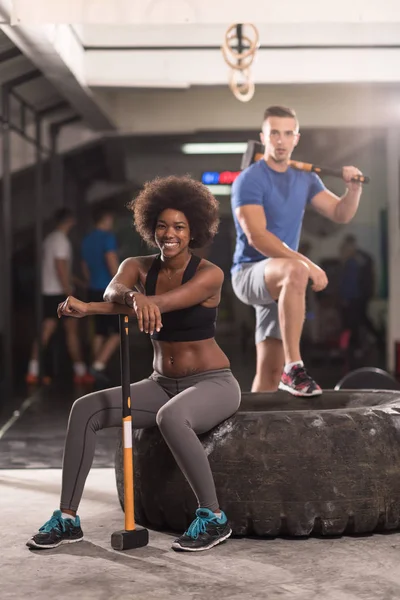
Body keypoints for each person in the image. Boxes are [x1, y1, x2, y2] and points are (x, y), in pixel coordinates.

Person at [26, 176, 241, 553]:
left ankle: (214, 517)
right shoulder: (137, 266)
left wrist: (138, 301)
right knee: (85, 408)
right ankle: (67, 518)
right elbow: (114, 291)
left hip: (212, 384)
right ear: (150, 228)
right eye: (161, 225)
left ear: (193, 231)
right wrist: (99, 304)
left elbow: (168, 302)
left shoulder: (209, 274)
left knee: (171, 417)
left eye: (179, 227)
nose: (169, 234)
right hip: (161, 383)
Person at [231, 105, 364, 396]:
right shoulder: (249, 180)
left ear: (296, 139)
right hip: (250, 273)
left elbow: (340, 213)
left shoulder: (305, 179)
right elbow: (258, 237)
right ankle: (294, 369)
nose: (281, 140)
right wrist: (306, 263)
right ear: (263, 137)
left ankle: (252, 437)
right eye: (274, 133)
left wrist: (352, 190)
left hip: (282, 283)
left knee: (267, 375)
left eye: (287, 133)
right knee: (294, 270)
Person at [26, 208, 91, 386]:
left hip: (48, 292)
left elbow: (62, 269)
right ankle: (80, 372)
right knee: (71, 332)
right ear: (70, 220)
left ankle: (33, 371)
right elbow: (60, 267)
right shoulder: (61, 240)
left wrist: (78, 281)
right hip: (59, 293)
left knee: (45, 331)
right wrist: (69, 293)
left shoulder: (50, 239)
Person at [81, 207, 120, 381]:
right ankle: (98, 365)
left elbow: (84, 266)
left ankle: (93, 369)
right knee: (117, 332)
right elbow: (112, 264)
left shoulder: (87, 240)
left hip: (93, 289)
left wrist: (91, 281)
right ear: (105, 218)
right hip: (108, 290)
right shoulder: (108, 238)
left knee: (99, 331)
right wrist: (122, 283)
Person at [339, 234, 381, 355]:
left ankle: (356, 347)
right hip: (358, 296)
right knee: (360, 319)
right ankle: (375, 340)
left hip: (355, 297)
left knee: (354, 322)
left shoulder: (353, 262)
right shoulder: (358, 259)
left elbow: (350, 283)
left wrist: (345, 298)